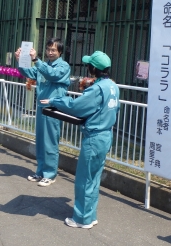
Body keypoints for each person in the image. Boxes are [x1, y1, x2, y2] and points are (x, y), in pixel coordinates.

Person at [41, 51, 120, 228]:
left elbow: (77, 106)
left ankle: (82, 218)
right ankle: (90, 214)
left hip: (94, 136)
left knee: (85, 178)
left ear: (94, 68)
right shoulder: (113, 86)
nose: (88, 67)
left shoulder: (97, 88)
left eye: (89, 65)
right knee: (94, 177)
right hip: (106, 134)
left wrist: (56, 101)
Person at [15, 37, 71, 187]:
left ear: (60, 51)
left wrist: (37, 60)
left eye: (53, 50)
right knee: (40, 140)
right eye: (48, 49)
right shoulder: (43, 65)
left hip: (54, 107)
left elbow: (52, 75)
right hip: (41, 107)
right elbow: (29, 72)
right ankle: (40, 171)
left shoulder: (63, 66)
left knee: (50, 141)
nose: (50, 52)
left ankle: (50, 174)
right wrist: (20, 60)